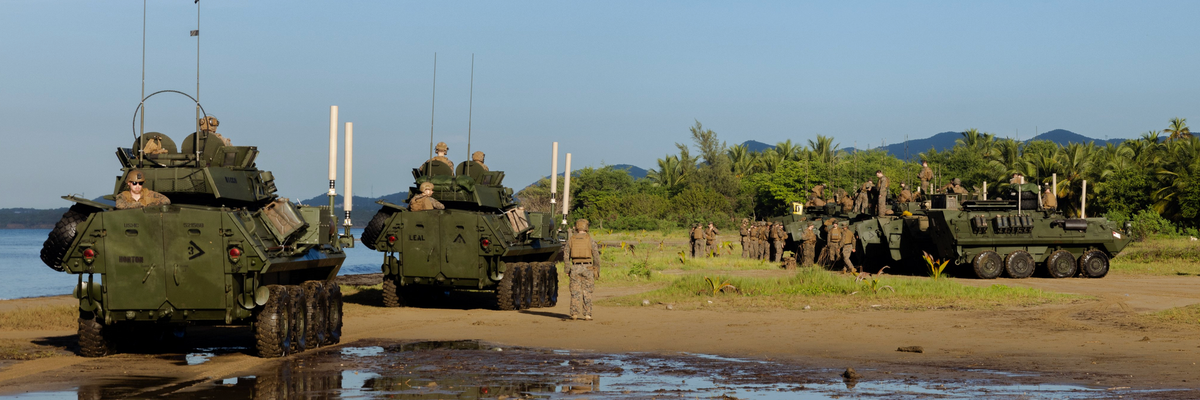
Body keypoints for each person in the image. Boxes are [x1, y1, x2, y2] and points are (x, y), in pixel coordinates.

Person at [564, 219, 599, 320]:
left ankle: (574, 314)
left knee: (575, 291)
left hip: (575, 267)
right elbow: (596, 255)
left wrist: (567, 269)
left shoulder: (571, 239)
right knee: (587, 291)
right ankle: (588, 314)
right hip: (588, 267)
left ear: (577, 227)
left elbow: (566, 256)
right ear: (586, 227)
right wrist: (596, 268)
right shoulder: (590, 240)